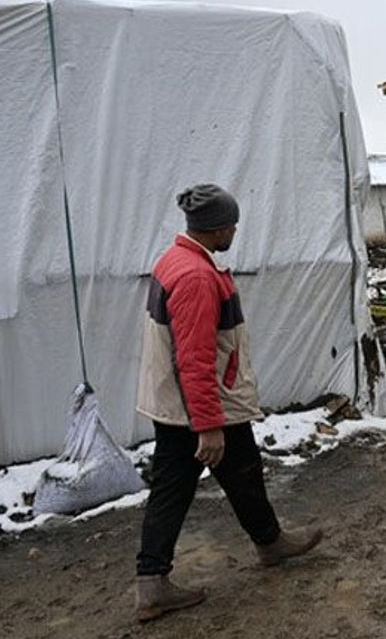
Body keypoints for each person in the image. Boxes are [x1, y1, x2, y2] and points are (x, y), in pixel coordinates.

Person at [133, 183, 322, 622]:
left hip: (193, 402)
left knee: (243, 473)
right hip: (198, 407)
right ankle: (152, 582)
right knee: (174, 490)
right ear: (217, 228)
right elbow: (194, 358)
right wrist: (208, 424)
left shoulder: (178, 259)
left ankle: (269, 541)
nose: (235, 231)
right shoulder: (196, 277)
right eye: (232, 225)